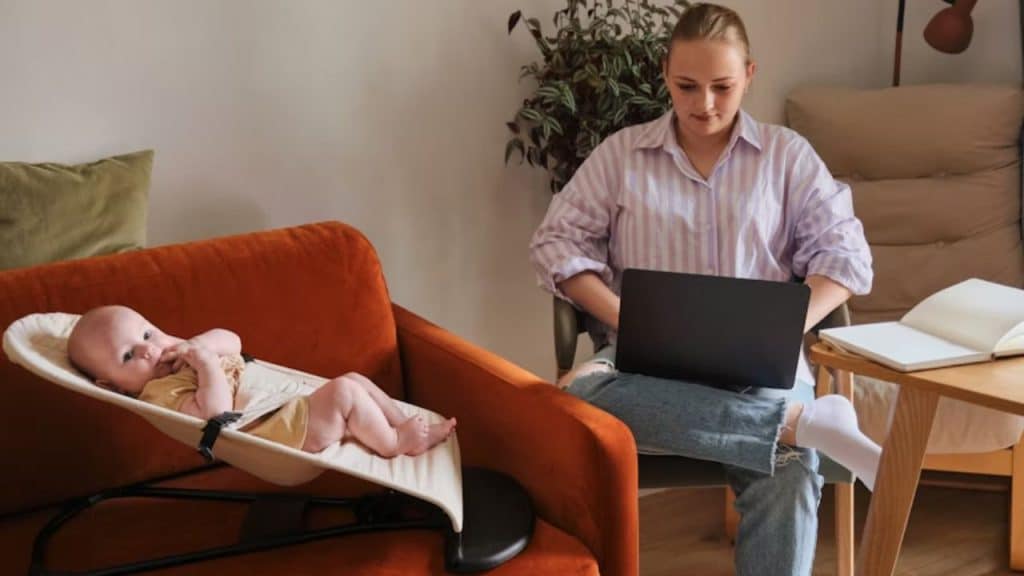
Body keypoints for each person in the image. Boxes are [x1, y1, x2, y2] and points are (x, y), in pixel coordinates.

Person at [529, 3, 880, 574]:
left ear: (749, 74)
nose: (705, 104)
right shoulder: (621, 156)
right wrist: (623, 317)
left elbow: (846, 258)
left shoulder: (788, 157)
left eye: (722, 85)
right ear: (664, 72)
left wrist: (788, 323)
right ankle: (799, 426)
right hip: (642, 362)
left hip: (764, 365)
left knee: (788, 472)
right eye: (687, 86)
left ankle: (791, 429)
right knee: (576, 400)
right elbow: (554, 246)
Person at [67, 305, 456, 457]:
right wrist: (204, 364)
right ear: (114, 386)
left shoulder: (182, 352)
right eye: (128, 356)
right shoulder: (160, 394)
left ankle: (398, 419)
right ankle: (395, 443)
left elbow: (233, 340)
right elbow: (216, 414)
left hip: (284, 405)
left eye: (148, 334)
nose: (149, 351)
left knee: (351, 379)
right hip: (283, 430)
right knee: (344, 392)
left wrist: (200, 344)